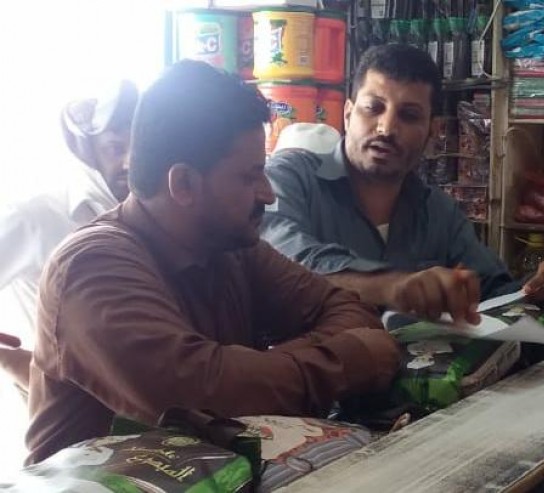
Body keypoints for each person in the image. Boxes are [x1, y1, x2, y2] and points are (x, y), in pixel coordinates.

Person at [26, 61, 399, 465]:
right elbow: (206, 399)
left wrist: (256, 370)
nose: (268, 194)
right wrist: (346, 361)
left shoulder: (232, 246)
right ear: (184, 183)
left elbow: (349, 312)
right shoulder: (91, 268)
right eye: (249, 177)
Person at [262, 43, 544, 324]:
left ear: (433, 132)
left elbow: (494, 294)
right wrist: (391, 286)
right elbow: (279, 266)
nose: (386, 128)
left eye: (408, 115)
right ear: (348, 114)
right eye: (373, 108)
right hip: (308, 378)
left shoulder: (438, 213)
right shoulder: (290, 179)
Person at [0, 81, 138, 392]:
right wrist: (11, 361)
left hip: (141, 404)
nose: (129, 162)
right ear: (87, 150)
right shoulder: (35, 218)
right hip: (61, 411)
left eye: (138, 148)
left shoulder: (150, 220)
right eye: (115, 148)